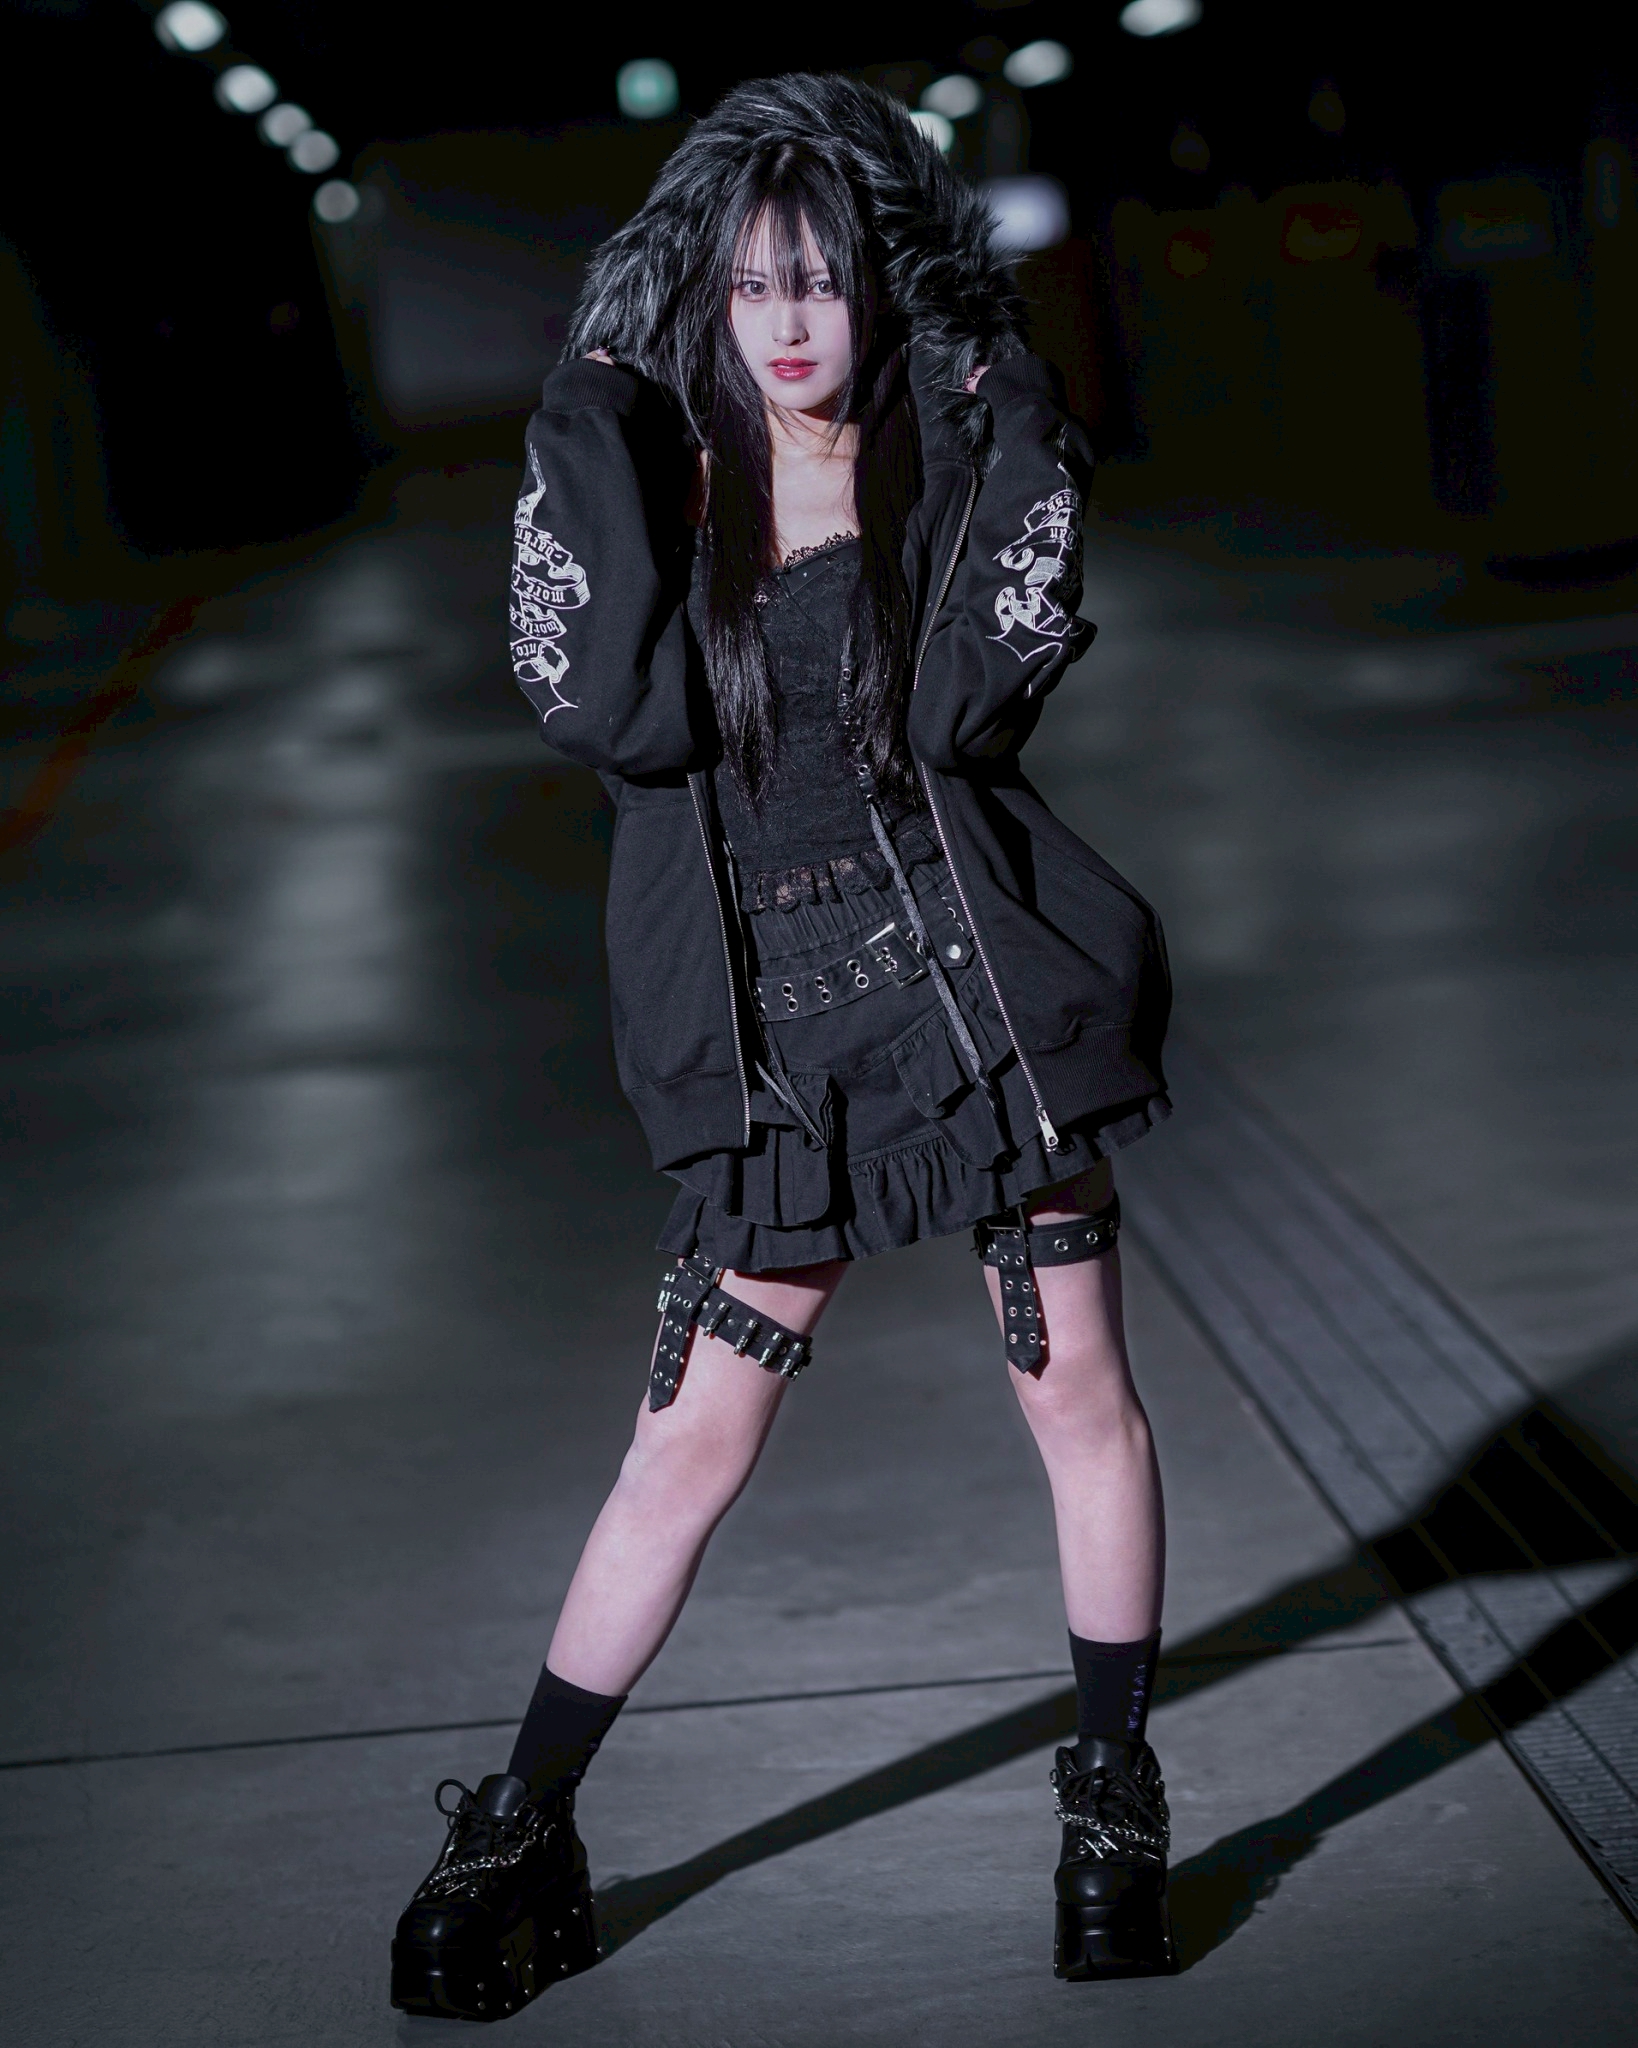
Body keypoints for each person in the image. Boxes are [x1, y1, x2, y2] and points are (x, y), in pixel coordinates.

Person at [390, 72, 1175, 2023]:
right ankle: (520, 1826)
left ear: (880, 285)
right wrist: (584, 412)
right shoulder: (661, 476)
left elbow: (979, 697)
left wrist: (1005, 405)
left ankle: (1112, 1809)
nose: (792, 321)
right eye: (751, 286)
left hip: (978, 1008)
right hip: (772, 1048)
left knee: (1073, 1391)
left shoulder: (948, 457)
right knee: (683, 1443)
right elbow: (608, 713)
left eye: (823, 279)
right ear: (706, 299)